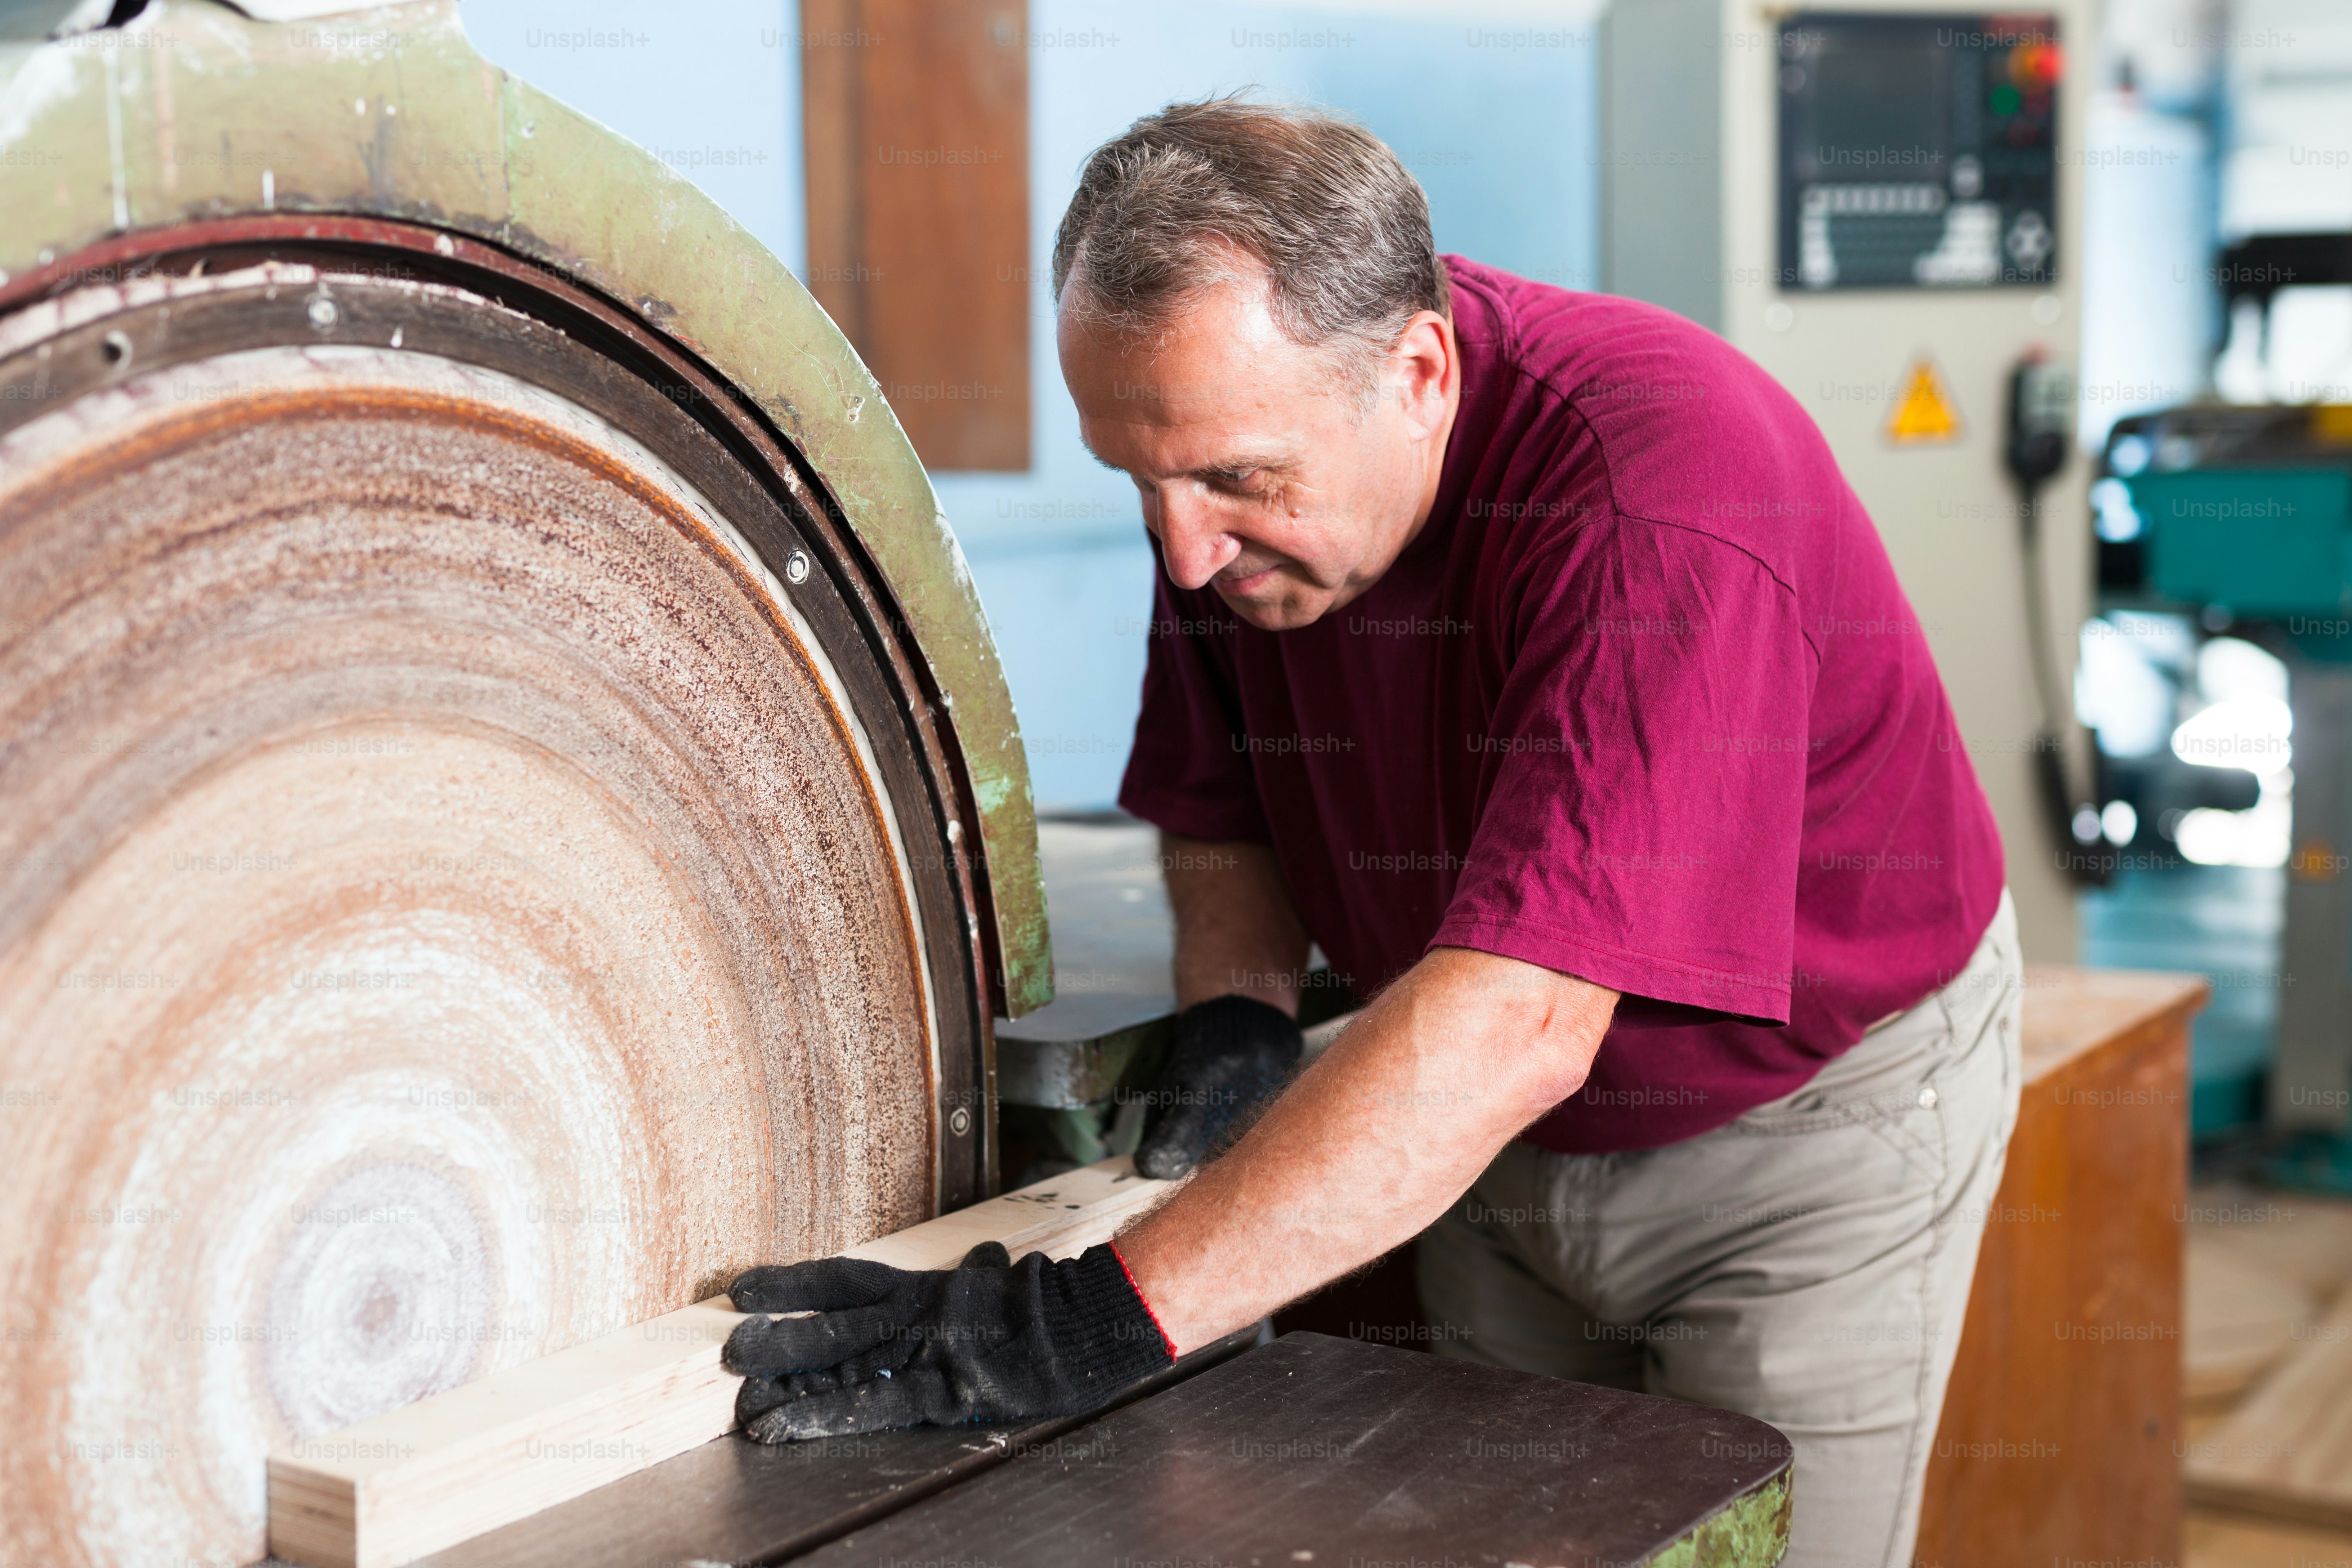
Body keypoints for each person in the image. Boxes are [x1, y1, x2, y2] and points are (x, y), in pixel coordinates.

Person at [720, 97, 2021, 1568]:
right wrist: (1238, 1007)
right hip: (1485, 1130)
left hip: (1796, 1138)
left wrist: (1069, 1330)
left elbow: (1525, 1020)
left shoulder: (1661, 491)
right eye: (1138, 484)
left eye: (1232, 482)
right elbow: (1222, 808)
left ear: (1418, 370)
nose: (1184, 551)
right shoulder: (1219, 491)